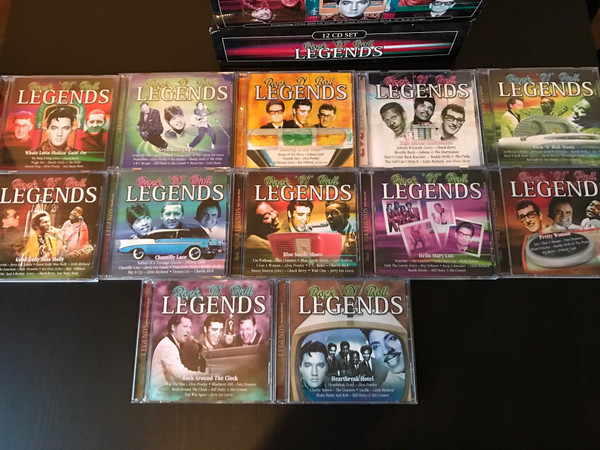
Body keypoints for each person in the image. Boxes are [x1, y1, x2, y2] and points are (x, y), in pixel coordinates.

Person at [149, 315, 204, 400]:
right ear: (173, 327)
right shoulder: (167, 346)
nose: (188, 331)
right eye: (185, 326)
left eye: (190, 327)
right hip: (161, 398)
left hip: (168, 395)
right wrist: (207, 376)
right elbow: (180, 374)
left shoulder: (173, 344)